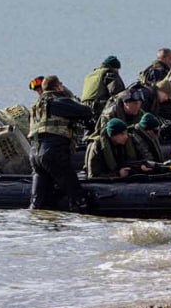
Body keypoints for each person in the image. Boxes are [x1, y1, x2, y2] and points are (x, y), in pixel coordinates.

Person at [27, 75, 94, 211]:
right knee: (76, 197)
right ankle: (80, 226)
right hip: (53, 154)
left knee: (38, 202)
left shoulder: (35, 107)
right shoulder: (59, 102)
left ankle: (37, 229)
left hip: (34, 156)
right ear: (58, 86)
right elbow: (87, 112)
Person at [84, 118, 152, 179]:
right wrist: (118, 174)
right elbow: (93, 176)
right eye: (122, 134)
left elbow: (141, 157)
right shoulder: (97, 147)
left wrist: (141, 166)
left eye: (126, 133)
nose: (126, 137)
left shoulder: (128, 142)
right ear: (112, 136)